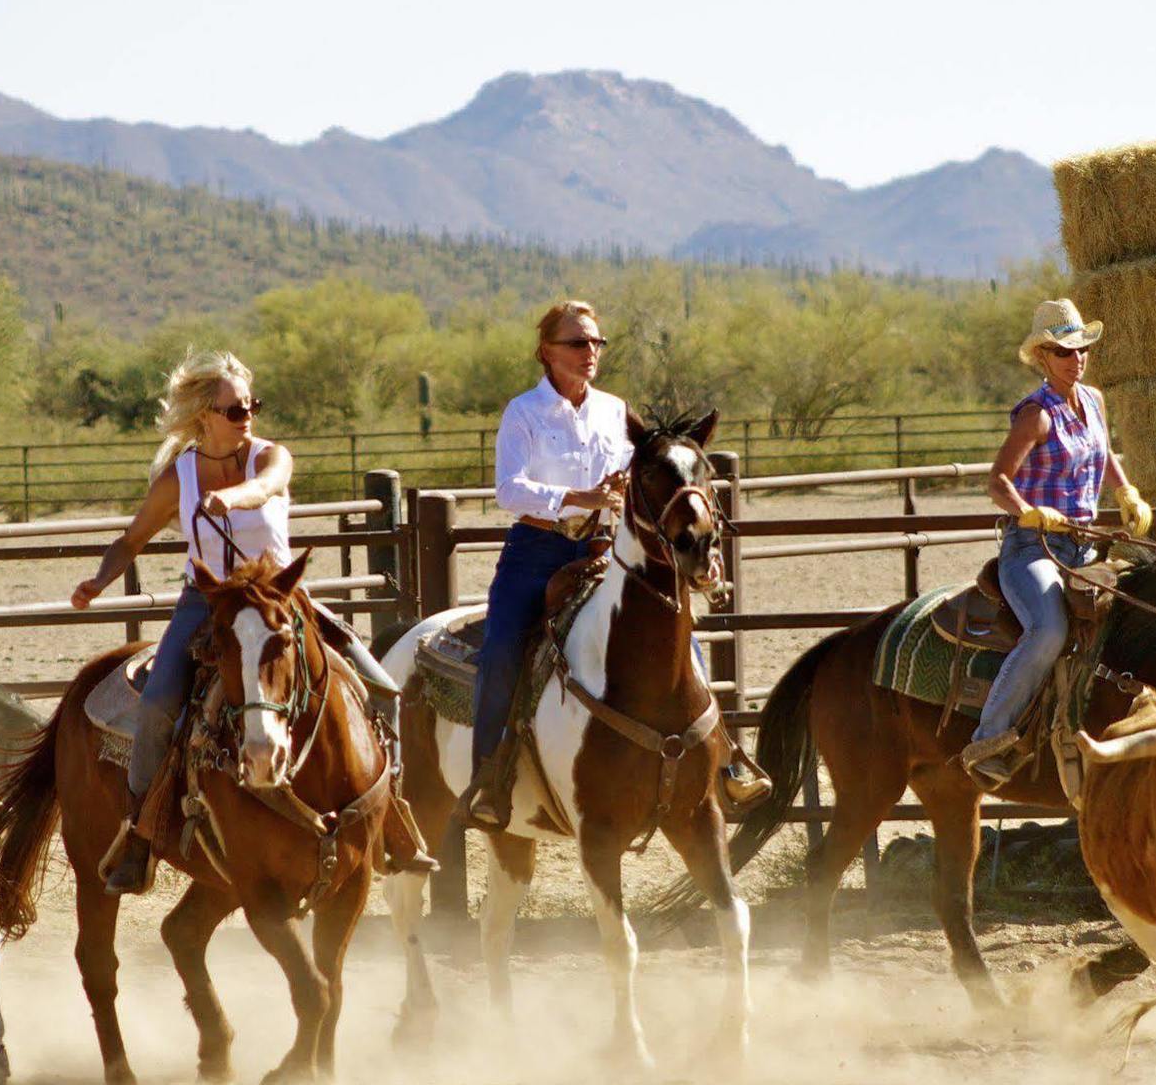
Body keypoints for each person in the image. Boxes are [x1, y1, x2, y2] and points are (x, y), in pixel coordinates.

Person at [73, 350, 434, 895]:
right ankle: (140, 833)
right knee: (155, 706)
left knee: (382, 688)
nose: (247, 417)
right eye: (234, 410)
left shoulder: (272, 456)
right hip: (210, 600)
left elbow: (265, 488)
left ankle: (393, 819)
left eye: (251, 406)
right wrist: (98, 582)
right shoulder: (178, 478)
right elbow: (131, 540)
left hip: (280, 597)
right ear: (204, 416)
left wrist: (231, 498)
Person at [459, 300, 770, 831]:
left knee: (677, 635)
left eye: (597, 343)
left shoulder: (614, 412)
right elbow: (508, 491)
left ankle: (723, 757)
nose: (591, 353)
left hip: (607, 552)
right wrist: (580, 496)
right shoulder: (524, 413)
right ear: (547, 352)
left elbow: (644, 480)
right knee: (504, 647)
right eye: (578, 343)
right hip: (538, 551)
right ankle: (490, 775)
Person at [958, 299, 1154, 789]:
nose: (1078, 358)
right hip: (1032, 549)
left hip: (1085, 547)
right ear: (1044, 356)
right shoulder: (1034, 415)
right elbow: (997, 481)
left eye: (1082, 348)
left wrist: (1125, 490)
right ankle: (988, 740)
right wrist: (1027, 510)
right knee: (1047, 630)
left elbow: (1103, 451)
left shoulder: (1093, 400)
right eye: (1066, 351)